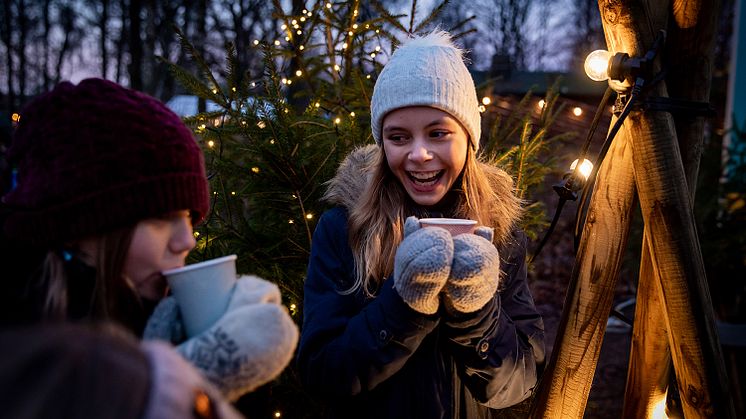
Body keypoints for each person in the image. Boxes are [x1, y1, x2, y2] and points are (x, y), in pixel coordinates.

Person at [0, 78, 299, 404]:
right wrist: (184, 386)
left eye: (189, 216)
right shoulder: (20, 355)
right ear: (77, 227)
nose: (187, 241)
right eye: (161, 217)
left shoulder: (155, 319)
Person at [296, 31, 545, 418]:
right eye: (398, 137)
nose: (419, 154)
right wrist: (405, 303)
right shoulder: (343, 229)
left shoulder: (501, 234)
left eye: (438, 133)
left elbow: (519, 383)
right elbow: (322, 376)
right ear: (383, 145)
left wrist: (476, 312)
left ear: (467, 138)